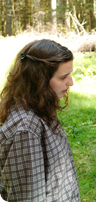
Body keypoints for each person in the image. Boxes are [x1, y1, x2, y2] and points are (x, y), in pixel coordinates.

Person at [0, 39, 80, 202]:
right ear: (39, 81)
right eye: (63, 77)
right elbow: (27, 198)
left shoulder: (40, 107)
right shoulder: (26, 129)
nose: (70, 82)